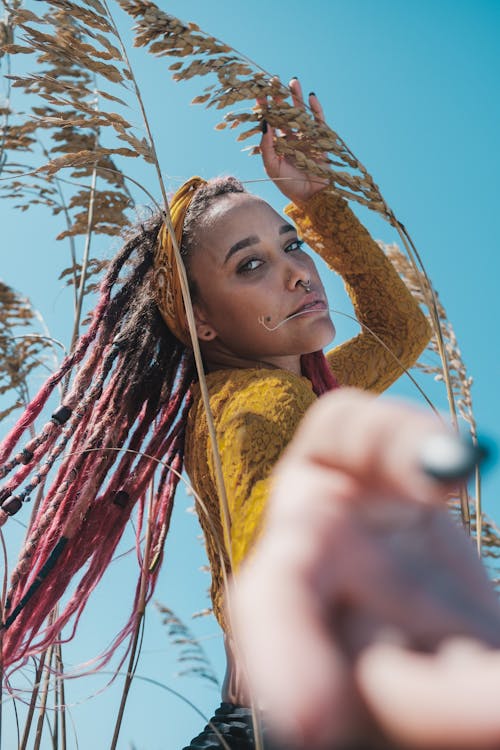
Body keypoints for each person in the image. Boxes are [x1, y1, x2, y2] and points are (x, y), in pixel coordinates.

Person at [0, 77, 482, 748]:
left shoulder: (310, 382)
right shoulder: (245, 405)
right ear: (202, 321)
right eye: (250, 264)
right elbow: (273, 527)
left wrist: (316, 203)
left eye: (293, 245)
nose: (295, 273)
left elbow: (399, 334)